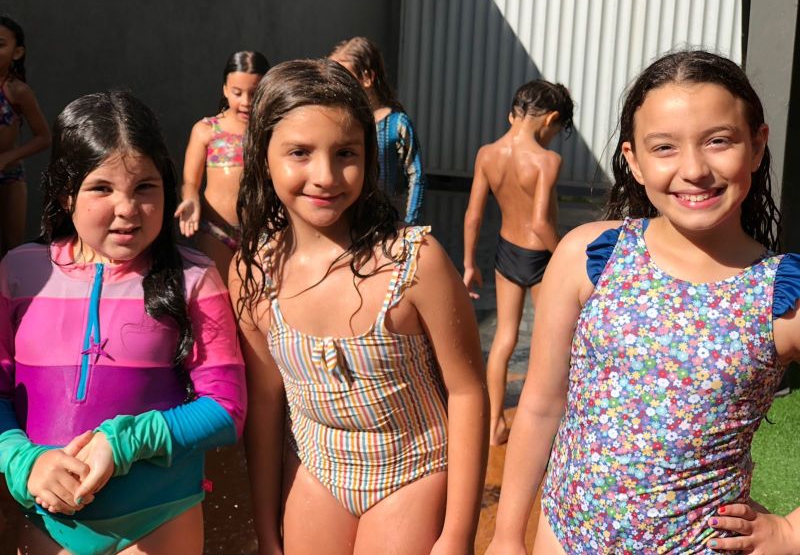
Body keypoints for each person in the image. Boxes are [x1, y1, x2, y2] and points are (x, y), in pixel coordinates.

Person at [487, 50, 800, 554]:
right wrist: (506, 535)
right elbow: (542, 405)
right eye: (665, 147)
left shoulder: (778, 295)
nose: (694, 169)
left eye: (718, 141)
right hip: (564, 539)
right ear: (634, 161)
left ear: (757, 145)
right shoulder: (589, 256)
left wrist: (790, 532)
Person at [231, 59, 487, 554]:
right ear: (262, 156)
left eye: (345, 153)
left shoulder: (415, 263)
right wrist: (266, 530)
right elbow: (265, 403)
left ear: (369, 157)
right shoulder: (255, 273)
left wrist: (457, 535)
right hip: (317, 468)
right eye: (300, 153)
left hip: (413, 469)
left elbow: (467, 391)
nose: (325, 176)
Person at [0, 91, 246, 554]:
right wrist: (23, 460)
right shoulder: (19, 272)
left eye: (145, 187)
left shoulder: (193, 278)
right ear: (65, 192)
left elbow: (226, 408)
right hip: (48, 520)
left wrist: (123, 442)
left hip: (160, 518)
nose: (127, 208)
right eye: (102, 188)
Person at [463, 79, 573, 446]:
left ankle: (495, 424)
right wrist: (565, 256)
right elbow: (541, 223)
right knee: (548, 339)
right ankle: (540, 423)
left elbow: (473, 216)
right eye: (556, 130)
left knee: (504, 337)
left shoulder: (487, 154)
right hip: (540, 255)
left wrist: (469, 264)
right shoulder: (547, 160)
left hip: (507, 252)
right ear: (551, 119)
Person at [175, 50, 270, 284]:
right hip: (216, 230)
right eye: (237, 93)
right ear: (225, 89)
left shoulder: (270, 131)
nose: (246, 101)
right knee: (218, 293)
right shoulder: (207, 129)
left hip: (261, 230)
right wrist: (191, 199)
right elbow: (190, 181)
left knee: (256, 296)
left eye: (254, 93)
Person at [330, 36, 425, 224]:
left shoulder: (397, 124)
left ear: (367, 78)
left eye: (345, 78)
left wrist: (409, 223)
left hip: (386, 221)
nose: (337, 85)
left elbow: (417, 175)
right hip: (347, 220)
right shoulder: (342, 122)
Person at [0, 16, 51, 257]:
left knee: (11, 247)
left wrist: (8, 157)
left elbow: (43, 137)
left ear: (17, 52)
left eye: (0, 44)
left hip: (9, 176)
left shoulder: (17, 91)